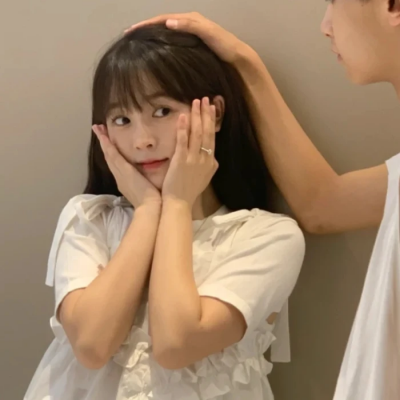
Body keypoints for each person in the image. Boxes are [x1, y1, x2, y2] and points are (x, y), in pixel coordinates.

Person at [126, 2, 400, 400]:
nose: (325, 26)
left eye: (334, 1)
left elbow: (177, 342)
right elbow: (325, 205)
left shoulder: (266, 238)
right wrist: (245, 63)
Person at [24, 24, 305, 400]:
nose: (142, 140)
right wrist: (147, 211)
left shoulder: (268, 236)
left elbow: (176, 345)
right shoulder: (88, 218)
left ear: (214, 114)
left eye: (162, 111)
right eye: (122, 120)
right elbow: (91, 346)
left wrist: (176, 204)